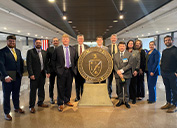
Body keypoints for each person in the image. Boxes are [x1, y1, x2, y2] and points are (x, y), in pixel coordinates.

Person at [0, 35, 25, 121]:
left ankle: (16, 107)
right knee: (7, 95)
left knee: (16, 93)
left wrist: (21, 72)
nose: (12, 42)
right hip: (8, 77)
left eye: (13, 41)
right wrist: (5, 76)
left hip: (17, 76)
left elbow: (20, 62)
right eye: (10, 41)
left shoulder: (18, 51)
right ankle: (7, 112)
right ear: (7, 41)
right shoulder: (2, 51)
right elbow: (1, 65)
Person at [52, 34, 77, 112]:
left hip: (70, 71)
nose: (65, 40)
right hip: (61, 71)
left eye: (67, 39)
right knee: (61, 87)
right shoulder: (57, 49)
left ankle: (67, 100)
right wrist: (56, 70)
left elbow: (76, 60)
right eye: (64, 39)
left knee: (69, 86)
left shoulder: (73, 49)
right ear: (62, 40)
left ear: (69, 40)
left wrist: (74, 69)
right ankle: (60, 103)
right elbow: (53, 60)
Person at [26, 39, 48, 113]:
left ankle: (40, 102)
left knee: (41, 89)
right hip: (34, 75)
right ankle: (31, 106)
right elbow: (29, 64)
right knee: (33, 91)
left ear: (41, 44)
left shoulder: (44, 52)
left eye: (39, 43)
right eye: (37, 43)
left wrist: (47, 72)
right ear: (35, 43)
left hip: (42, 74)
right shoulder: (30, 52)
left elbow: (46, 64)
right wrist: (31, 74)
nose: (38, 44)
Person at [114, 42, 133, 108]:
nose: (121, 47)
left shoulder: (129, 54)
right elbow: (114, 65)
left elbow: (130, 65)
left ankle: (126, 101)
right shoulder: (115, 55)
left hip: (126, 75)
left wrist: (122, 71)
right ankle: (120, 100)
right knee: (119, 89)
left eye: (123, 46)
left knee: (126, 89)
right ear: (118, 47)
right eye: (120, 46)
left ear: (125, 47)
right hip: (118, 75)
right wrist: (118, 72)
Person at [160, 35, 177, 113]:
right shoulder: (164, 51)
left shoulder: (175, 50)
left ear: (172, 41)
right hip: (165, 73)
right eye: (166, 40)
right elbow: (162, 62)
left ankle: (175, 105)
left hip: (173, 74)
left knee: (174, 90)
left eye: (169, 40)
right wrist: (162, 71)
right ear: (164, 42)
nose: (167, 41)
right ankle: (168, 102)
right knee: (167, 89)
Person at [73, 34, 89, 102]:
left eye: (81, 39)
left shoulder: (87, 47)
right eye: (79, 39)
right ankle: (77, 96)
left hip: (84, 69)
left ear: (83, 39)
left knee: (83, 83)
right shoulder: (74, 47)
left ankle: (83, 96)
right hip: (76, 69)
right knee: (77, 84)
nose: (80, 40)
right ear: (77, 39)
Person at [46, 37, 59, 104]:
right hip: (51, 70)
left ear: (58, 42)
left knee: (60, 84)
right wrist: (47, 71)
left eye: (56, 41)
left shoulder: (60, 49)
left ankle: (59, 97)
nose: (55, 42)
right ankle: (51, 97)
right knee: (51, 84)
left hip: (59, 69)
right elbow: (47, 61)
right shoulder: (49, 49)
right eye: (54, 41)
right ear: (52, 42)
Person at [126, 40, 140, 104]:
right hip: (126, 71)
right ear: (127, 44)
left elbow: (138, 61)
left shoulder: (136, 52)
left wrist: (136, 70)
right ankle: (128, 97)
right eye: (129, 43)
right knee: (127, 85)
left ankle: (134, 98)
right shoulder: (125, 52)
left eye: (132, 43)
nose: (131, 44)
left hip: (133, 71)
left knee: (133, 85)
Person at [107, 34, 118, 98]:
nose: (113, 39)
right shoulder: (108, 47)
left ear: (116, 39)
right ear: (111, 39)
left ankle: (118, 94)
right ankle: (109, 94)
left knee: (117, 81)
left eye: (114, 38)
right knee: (109, 81)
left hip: (117, 66)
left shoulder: (119, 47)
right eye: (112, 38)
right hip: (110, 66)